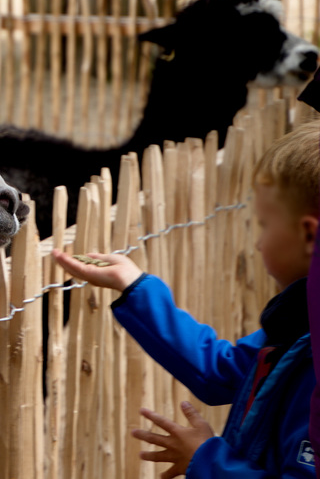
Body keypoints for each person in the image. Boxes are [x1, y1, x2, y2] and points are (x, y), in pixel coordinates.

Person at [53, 121, 320, 478]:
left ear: (308, 235)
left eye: (265, 225)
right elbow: (220, 371)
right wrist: (134, 286)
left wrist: (207, 460)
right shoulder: (296, 324)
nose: (257, 243)